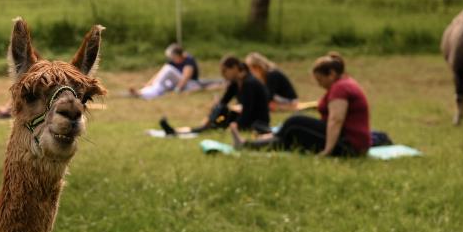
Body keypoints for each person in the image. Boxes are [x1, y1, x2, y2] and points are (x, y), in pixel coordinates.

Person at [239, 52, 371, 157]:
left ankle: (249, 143)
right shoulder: (345, 83)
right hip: (352, 143)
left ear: (331, 74)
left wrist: (327, 151)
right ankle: (247, 144)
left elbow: (336, 120)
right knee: (292, 135)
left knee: (294, 122)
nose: (319, 84)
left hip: (349, 144)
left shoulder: (340, 88)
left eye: (320, 80)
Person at [159, 55, 270, 136]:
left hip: (257, 122)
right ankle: (191, 129)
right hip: (246, 117)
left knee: (219, 115)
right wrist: (214, 111)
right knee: (220, 108)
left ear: (235, 68)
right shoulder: (236, 82)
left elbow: (248, 111)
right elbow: (224, 101)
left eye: (224, 71)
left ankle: (197, 128)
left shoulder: (249, 83)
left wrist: (234, 127)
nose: (223, 75)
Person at [129, 44, 208, 99]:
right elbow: (160, 74)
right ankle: (141, 93)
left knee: (168, 69)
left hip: (188, 84)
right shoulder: (173, 61)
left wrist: (177, 90)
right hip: (176, 83)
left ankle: (142, 92)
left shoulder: (188, 60)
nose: (171, 58)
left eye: (173, 56)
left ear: (177, 55)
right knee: (161, 85)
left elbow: (186, 77)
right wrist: (149, 83)